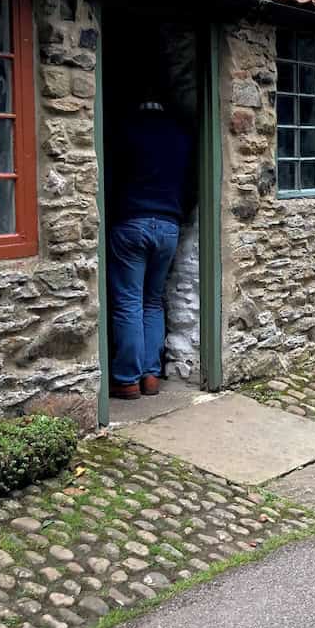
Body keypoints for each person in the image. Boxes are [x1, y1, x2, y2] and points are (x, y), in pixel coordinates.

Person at [106, 96, 195, 400]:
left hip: (131, 222)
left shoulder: (124, 130)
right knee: (152, 302)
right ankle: (151, 375)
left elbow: (108, 179)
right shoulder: (180, 135)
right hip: (168, 225)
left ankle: (127, 379)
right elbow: (190, 184)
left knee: (128, 302)